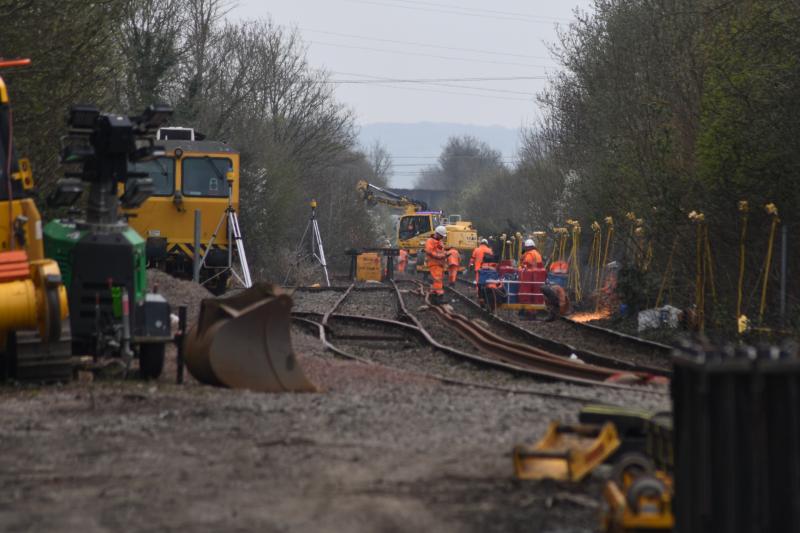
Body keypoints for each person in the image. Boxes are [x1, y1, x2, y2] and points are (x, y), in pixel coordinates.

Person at [424, 225, 447, 304]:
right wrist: (439, 256)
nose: (442, 238)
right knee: (437, 280)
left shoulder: (439, 242)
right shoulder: (430, 241)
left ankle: (434, 297)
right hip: (434, 263)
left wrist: (445, 254)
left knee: (438, 280)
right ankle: (438, 298)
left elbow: (441, 251)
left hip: (439, 264)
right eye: (441, 236)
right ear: (437, 234)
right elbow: (429, 251)